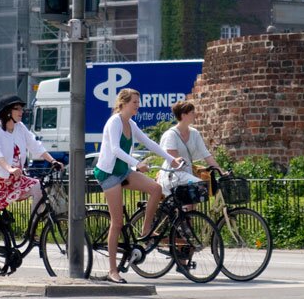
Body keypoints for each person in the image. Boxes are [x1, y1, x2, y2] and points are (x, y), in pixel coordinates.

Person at [94, 88, 183, 284]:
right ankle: (112, 271)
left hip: (122, 171)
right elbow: (115, 149)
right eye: (135, 102)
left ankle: (145, 230)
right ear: (123, 103)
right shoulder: (114, 122)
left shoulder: (131, 124)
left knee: (156, 188)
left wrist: (172, 159)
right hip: (108, 174)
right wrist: (136, 164)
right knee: (117, 223)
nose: (138, 105)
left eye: (138, 102)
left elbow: (149, 143)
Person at [0, 94, 63, 275]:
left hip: (14, 179)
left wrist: (52, 160)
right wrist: (9, 168)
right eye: (17, 109)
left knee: (37, 186)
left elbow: (35, 145)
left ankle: (31, 230)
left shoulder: (20, 128)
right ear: (7, 112)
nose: (22, 112)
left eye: (22, 109)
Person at [157, 100, 225, 203]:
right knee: (198, 185)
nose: (195, 115)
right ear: (183, 115)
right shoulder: (171, 135)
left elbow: (206, 154)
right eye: (192, 112)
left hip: (187, 174)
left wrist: (220, 171)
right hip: (173, 175)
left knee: (192, 203)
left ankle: (188, 218)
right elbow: (174, 162)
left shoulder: (194, 133)